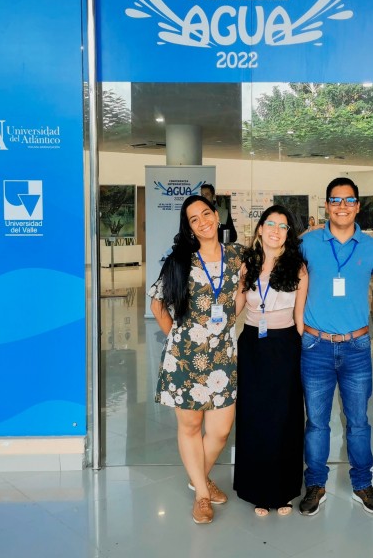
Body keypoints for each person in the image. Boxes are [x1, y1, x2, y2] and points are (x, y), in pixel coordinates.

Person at [298, 177, 373, 516]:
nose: (342, 206)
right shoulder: (308, 243)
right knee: (316, 422)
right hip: (316, 346)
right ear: (326, 205)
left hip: (357, 348)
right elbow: (287, 281)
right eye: (335, 200)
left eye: (349, 200)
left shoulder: (372, 247)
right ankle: (315, 484)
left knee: (358, 421)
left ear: (358, 206)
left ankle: (362, 484)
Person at [148, 194, 243, 525]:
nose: (202, 221)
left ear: (216, 216)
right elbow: (157, 304)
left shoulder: (237, 256)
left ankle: (198, 477)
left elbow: (239, 296)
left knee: (220, 430)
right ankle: (202, 495)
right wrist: (178, 335)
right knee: (190, 426)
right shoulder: (179, 261)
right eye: (193, 218)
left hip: (222, 356)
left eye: (206, 213)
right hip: (185, 358)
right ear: (188, 227)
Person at [233, 205, 308, 517]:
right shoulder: (246, 265)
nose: (276, 230)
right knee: (254, 416)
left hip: (285, 346)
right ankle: (257, 490)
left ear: (288, 234)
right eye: (271, 224)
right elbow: (236, 305)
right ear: (260, 229)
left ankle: (283, 489)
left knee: (285, 417)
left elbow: (300, 317)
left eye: (283, 226)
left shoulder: (298, 268)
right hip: (252, 345)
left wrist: (306, 350)